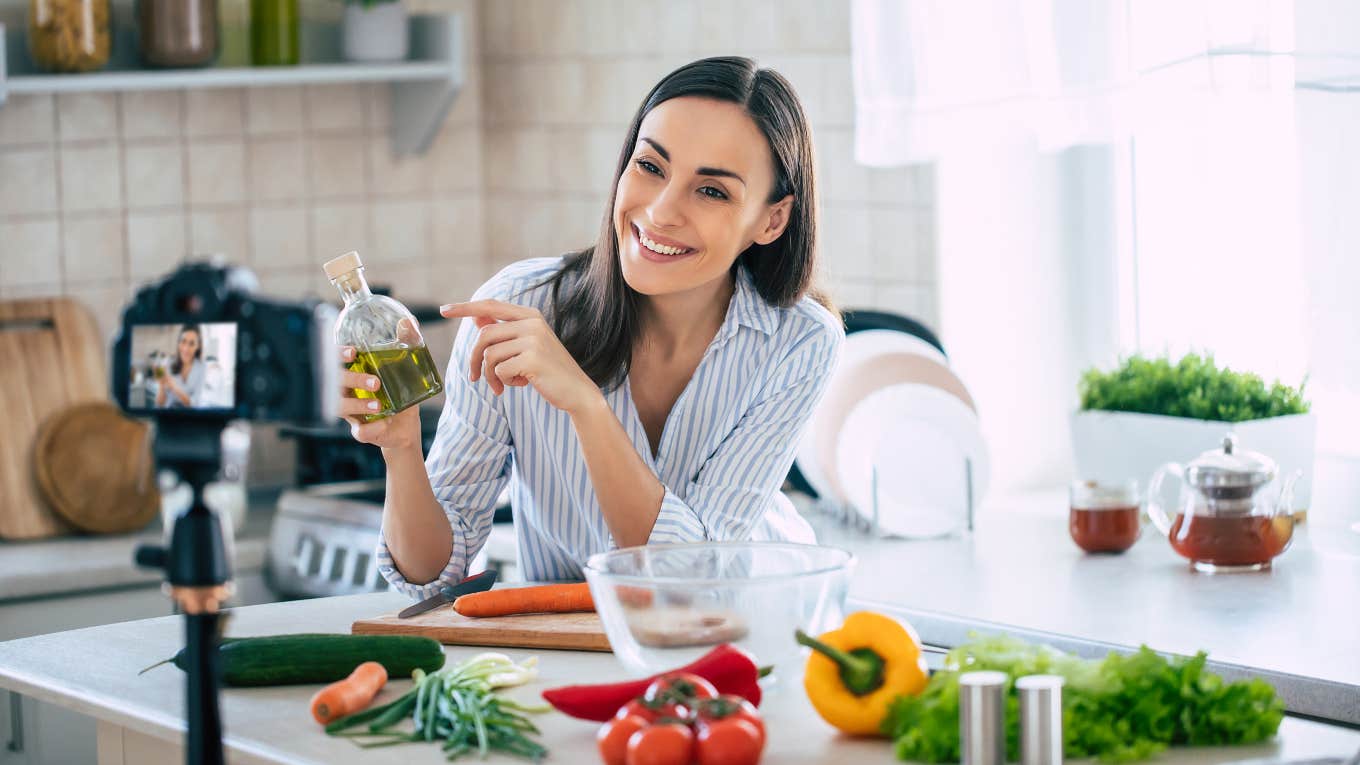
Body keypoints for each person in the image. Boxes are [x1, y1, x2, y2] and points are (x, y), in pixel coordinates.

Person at [339, 57, 843, 597]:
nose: (660, 212)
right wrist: (401, 450)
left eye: (712, 191)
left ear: (772, 219)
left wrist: (586, 404)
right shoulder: (514, 306)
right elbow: (430, 577)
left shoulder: (799, 342)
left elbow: (689, 577)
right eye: (651, 167)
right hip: (567, 652)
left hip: (751, 632)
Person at [156, 324, 205, 409]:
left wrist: (173, 387)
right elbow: (160, 403)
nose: (186, 348)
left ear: (198, 346)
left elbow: (194, 403)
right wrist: (161, 385)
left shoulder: (201, 367)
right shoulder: (167, 363)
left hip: (190, 418)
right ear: (179, 343)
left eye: (192, 343)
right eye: (183, 341)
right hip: (169, 416)